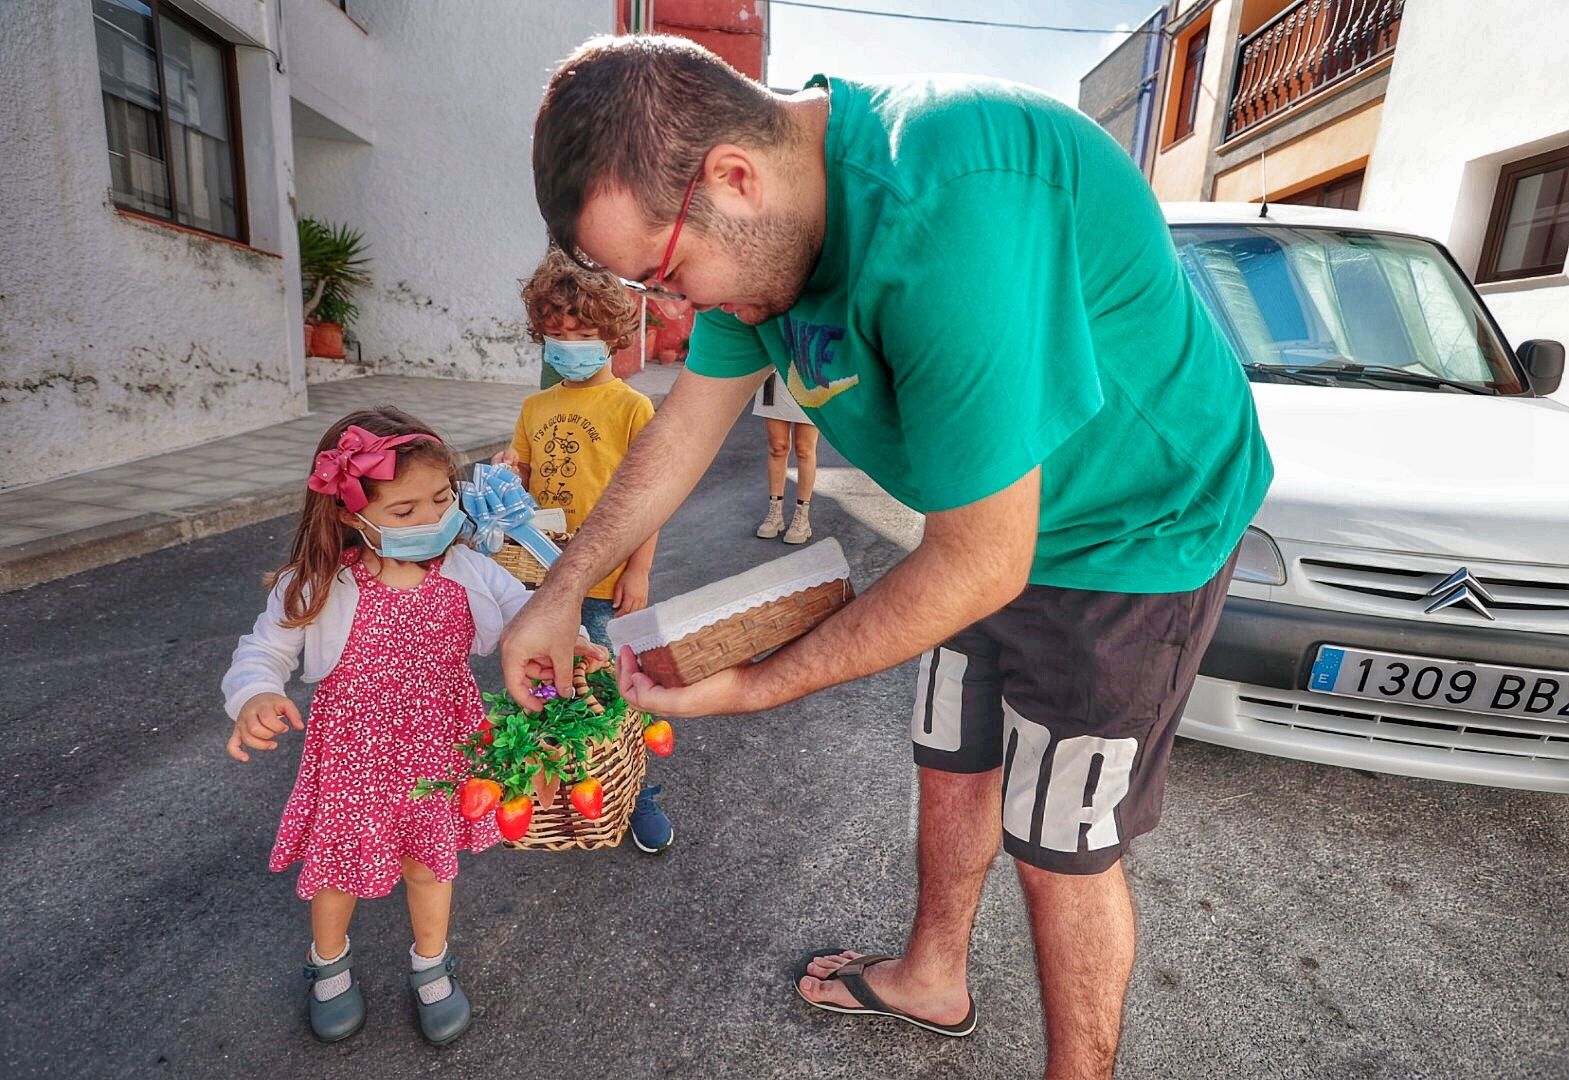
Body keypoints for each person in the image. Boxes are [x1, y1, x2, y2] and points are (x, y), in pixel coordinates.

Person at [508, 35, 1273, 1078]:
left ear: (733, 177)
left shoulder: (951, 197)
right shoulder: (762, 250)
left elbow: (982, 564)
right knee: (953, 760)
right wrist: (558, 594)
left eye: (667, 274)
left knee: (1059, 841)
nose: (681, 311)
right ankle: (934, 973)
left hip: (1132, 530)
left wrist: (757, 688)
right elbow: (681, 433)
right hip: (985, 522)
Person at [222, 406, 603, 1046]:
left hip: (443, 750)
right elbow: (263, 651)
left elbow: (534, 618)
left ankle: (431, 964)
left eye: (442, 499)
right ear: (349, 512)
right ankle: (329, 965)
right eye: (404, 512)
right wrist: (255, 695)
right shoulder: (317, 584)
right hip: (352, 761)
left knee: (431, 864)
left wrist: (568, 644)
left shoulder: (471, 573)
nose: (431, 519)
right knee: (340, 868)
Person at [493, 247, 673, 853]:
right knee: (552, 689)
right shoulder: (534, 407)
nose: (568, 342)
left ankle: (638, 795)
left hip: (607, 581)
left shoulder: (630, 407)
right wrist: (505, 476)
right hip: (542, 581)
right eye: (555, 332)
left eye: (582, 331)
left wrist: (640, 570)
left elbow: (649, 496)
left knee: (616, 693)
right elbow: (522, 481)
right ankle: (573, 793)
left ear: (612, 334)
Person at [752, 370, 818, 543]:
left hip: (809, 374)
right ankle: (775, 515)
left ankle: (802, 518)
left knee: (804, 448)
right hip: (774, 373)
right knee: (777, 447)